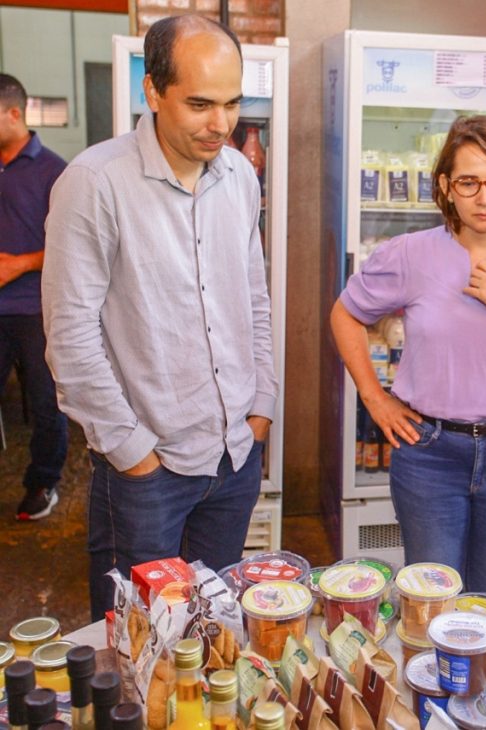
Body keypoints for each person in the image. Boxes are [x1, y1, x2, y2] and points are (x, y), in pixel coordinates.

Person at [42, 15, 277, 621]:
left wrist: (260, 408)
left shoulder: (240, 177)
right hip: (147, 472)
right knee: (141, 641)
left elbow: (253, 299)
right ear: (152, 90)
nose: (221, 124)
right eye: (200, 104)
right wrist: (133, 453)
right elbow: (70, 336)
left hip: (233, 457)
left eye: (232, 103)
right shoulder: (94, 182)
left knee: (213, 627)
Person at [330, 115, 486, 608]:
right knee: (430, 600)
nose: (484, 197)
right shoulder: (411, 254)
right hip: (429, 453)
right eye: (469, 182)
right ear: (447, 188)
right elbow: (345, 313)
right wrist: (375, 398)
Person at [0, 73, 69, 521]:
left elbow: (72, 247)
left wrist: (19, 263)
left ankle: (43, 483)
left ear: (14, 113)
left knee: (47, 404)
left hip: (35, 310)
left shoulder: (54, 171)